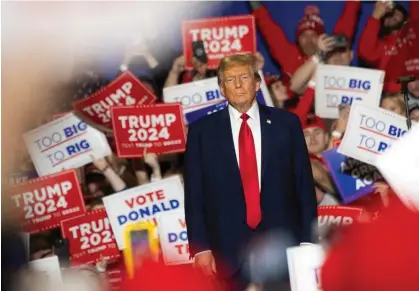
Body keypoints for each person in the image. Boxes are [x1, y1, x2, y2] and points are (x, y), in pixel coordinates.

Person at [184, 54, 317, 290]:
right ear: (221, 89)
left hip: (284, 245)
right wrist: (201, 248)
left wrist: (308, 241)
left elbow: (304, 187)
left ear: (256, 84)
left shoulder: (287, 124)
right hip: (228, 251)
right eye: (229, 79)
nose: (237, 84)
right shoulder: (201, 132)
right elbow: (194, 195)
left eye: (244, 77)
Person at [249, 1, 360, 75]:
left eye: (313, 35)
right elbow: (270, 30)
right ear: (298, 40)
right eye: (304, 36)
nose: (308, 40)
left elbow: (347, 23)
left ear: (321, 38)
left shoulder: (331, 54)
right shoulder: (290, 57)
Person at [358, 1, 419, 92]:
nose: (393, 15)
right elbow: (365, 52)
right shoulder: (382, 46)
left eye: (397, 12)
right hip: (392, 97)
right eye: (389, 13)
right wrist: (375, 17)